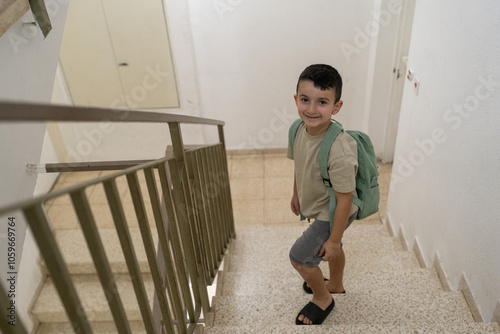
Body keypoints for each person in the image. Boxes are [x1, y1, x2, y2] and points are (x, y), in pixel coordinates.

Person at [288, 64, 359, 325]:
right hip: (320, 206)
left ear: (336, 107)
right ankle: (336, 284)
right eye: (305, 100)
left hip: (334, 212)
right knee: (331, 248)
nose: (311, 109)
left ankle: (322, 298)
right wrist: (296, 194)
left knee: (300, 258)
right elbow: (299, 164)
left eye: (322, 102)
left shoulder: (339, 149)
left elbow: (344, 200)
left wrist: (333, 238)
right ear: (296, 99)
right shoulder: (297, 128)